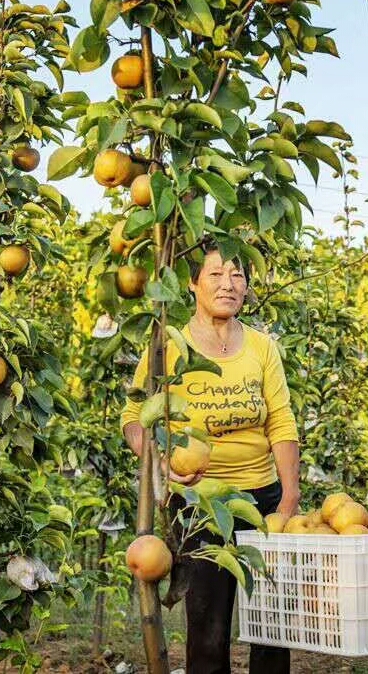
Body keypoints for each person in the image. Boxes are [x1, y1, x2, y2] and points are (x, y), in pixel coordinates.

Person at [121, 245, 300, 674]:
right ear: (192, 282)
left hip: (262, 500)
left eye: (238, 275)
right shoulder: (169, 345)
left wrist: (289, 494)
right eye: (216, 274)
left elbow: (281, 420)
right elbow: (134, 418)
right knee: (208, 629)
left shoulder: (261, 347)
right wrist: (163, 466)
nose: (228, 284)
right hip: (197, 505)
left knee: (275, 627)